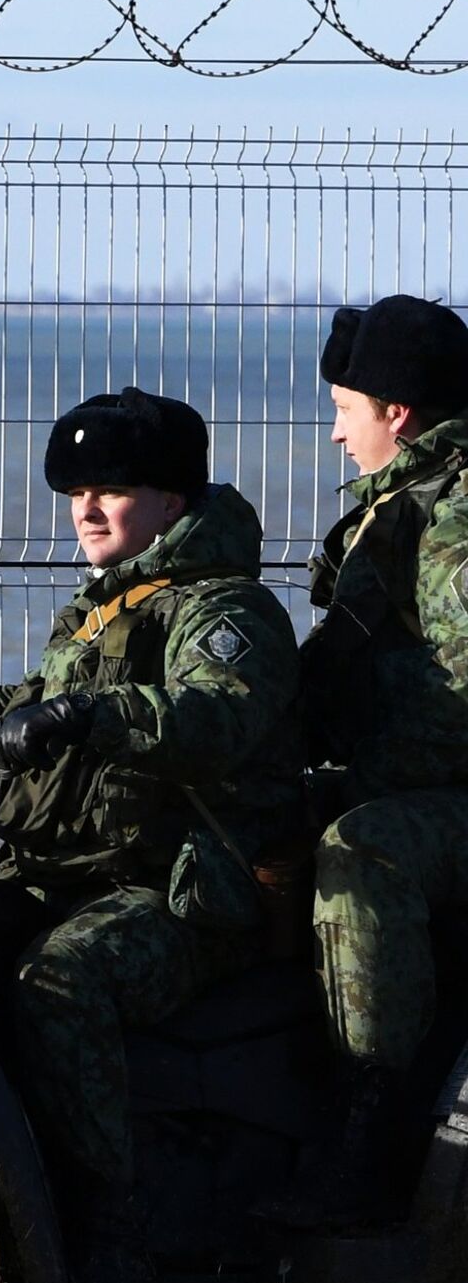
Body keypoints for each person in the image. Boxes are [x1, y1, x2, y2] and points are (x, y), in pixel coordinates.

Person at [0, 387, 300, 1283]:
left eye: (111, 491)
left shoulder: (226, 612)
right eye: (76, 493)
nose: (87, 510)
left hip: (182, 897)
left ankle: (108, 1231)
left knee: (60, 984)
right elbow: (34, 701)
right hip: (72, 879)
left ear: (171, 500)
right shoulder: (106, 606)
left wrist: (91, 716)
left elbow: (217, 716)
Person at [271, 295, 468, 1228]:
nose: (338, 434)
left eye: (347, 410)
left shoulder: (456, 522)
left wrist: (360, 780)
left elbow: (460, 699)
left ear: (398, 410)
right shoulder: (409, 505)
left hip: (446, 796)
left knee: (364, 851)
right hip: (427, 780)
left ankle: (374, 1134)